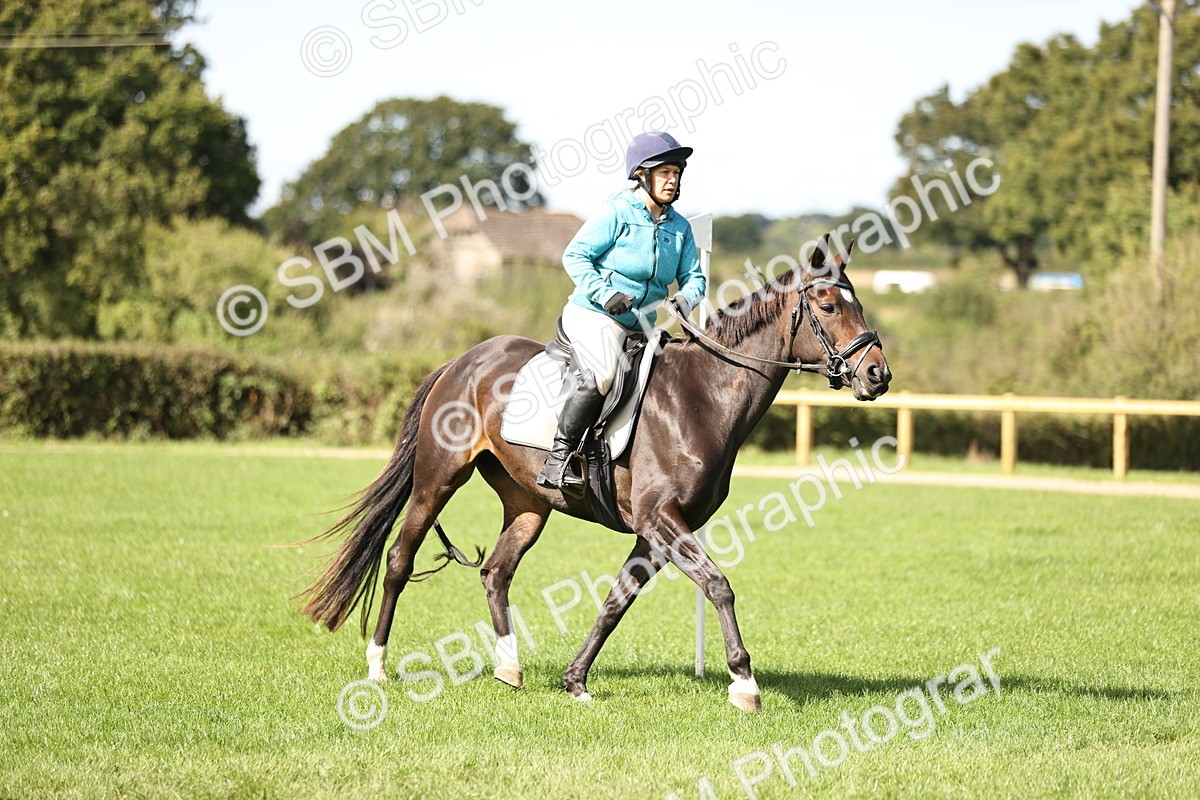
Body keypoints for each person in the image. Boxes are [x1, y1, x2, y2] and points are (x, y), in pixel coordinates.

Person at [536, 131, 707, 495]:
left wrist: (686, 299)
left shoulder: (680, 228)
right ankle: (558, 459)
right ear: (642, 176)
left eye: (676, 172)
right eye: (664, 172)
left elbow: (694, 278)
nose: (672, 179)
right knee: (602, 371)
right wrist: (605, 293)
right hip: (595, 313)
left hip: (644, 324)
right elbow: (575, 256)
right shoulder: (616, 212)